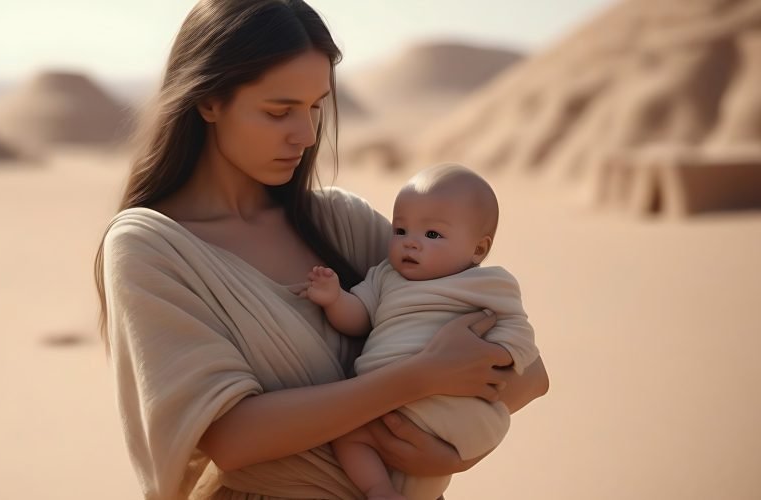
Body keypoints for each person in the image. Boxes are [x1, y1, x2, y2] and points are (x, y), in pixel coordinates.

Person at [93, 1, 549, 498]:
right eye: (279, 111)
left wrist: (460, 450)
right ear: (209, 101)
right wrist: (419, 378)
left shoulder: (342, 223)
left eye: (315, 107)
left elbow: (532, 373)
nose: (307, 135)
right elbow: (231, 437)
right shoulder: (148, 247)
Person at [300, 163, 539, 500]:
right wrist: (335, 298)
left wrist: (497, 356)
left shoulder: (489, 284)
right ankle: (380, 489)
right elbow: (358, 317)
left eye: (431, 235)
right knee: (349, 436)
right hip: (385, 398)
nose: (411, 244)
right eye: (400, 231)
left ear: (478, 250)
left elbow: (519, 331)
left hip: (450, 403)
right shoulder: (385, 276)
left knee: (374, 445)